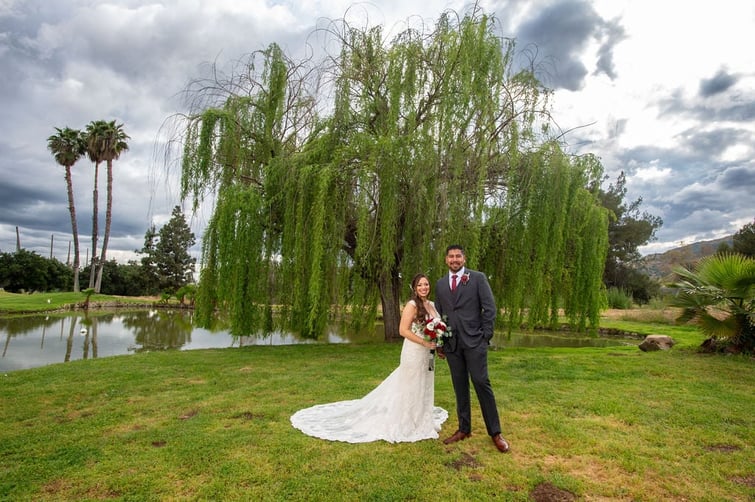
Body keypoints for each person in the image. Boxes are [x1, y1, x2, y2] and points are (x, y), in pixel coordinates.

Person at [290, 274, 448, 443]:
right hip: (415, 351)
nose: (424, 287)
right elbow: (403, 330)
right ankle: (406, 422)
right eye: (420, 285)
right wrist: (424, 342)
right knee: (410, 384)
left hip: (428, 354)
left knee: (424, 382)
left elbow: (438, 327)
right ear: (414, 288)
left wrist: (437, 342)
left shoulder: (431, 305)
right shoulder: (412, 305)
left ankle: (422, 419)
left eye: (426, 284)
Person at [434, 245, 510, 453]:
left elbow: (490, 308)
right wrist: (440, 343)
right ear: (446, 260)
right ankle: (463, 429)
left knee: (481, 382)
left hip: (475, 341)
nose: (454, 259)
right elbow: (439, 316)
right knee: (460, 387)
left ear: (464, 259)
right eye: (451, 256)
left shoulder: (477, 278)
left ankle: (495, 433)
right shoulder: (440, 284)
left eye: (458, 256)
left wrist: (485, 336)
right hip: (452, 345)